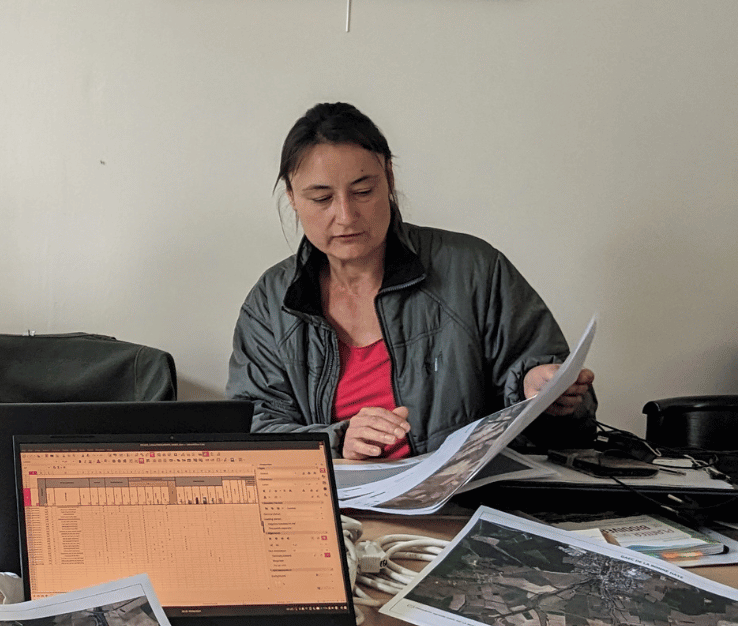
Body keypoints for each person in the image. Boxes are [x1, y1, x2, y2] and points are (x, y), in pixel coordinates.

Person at [227, 103, 596, 460]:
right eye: (321, 198)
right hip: (340, 512)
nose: (345, 215)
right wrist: (337, 440)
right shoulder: (272, 302)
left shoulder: (473, 270)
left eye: (363, 191)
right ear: (292, 198)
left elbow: (567, 426)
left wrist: (544, 391)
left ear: (388, 177)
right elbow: (253, 431)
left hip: (461, 505)